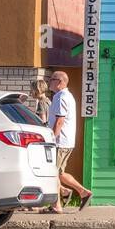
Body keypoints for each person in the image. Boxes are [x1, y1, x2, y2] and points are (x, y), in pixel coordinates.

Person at [43, 70, 92, 212]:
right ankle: (81, 192)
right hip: (66, 141)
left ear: (59, 82)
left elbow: (59, 121)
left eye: (52, 79)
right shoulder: (67, 96)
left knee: (53, 173)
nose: (49, 82)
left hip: (59, 142)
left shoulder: (60, 97)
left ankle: (56, 206)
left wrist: (51, 138)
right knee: (60, 173)